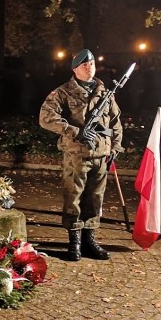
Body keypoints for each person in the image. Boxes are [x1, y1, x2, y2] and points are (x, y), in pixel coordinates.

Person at [39, 49, 123, 261]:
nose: (89, 67)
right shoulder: (64, 92)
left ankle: (89, 240)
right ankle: (74, 242)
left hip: (101, 155)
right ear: (75, 69)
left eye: (92, 63)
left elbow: (115, 123)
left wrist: (114, 148)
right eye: (85, 65)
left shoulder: (105, 92)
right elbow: (46, 118)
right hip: (76, 154)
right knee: (74, 197)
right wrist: (75, 131)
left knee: (95, 199)